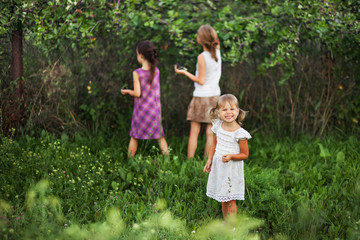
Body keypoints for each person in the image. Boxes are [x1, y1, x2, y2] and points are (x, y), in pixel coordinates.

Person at [174, 24, 221, 159]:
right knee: (210, 132)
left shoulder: (202, 56)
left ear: (200, 40)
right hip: (215, 96)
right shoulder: (217, 51)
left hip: (201, 97)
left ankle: (190, 161)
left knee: (194, 131)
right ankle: (208, 162)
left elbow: (201, 80)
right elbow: (216, 42)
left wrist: (184, 72)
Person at [203, 94, 251, 220]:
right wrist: (210, 160)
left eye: (232, 109)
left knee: (231, 199)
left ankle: (232, 226)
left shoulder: (240, 133)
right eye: (224, 109)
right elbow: (214, 144)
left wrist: (231, 156)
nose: (228, 112)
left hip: (231, 169)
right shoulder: (218, 126)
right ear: (218, 112)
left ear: (238, 111)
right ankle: (226, 222)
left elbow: (245, 154)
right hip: (220, 168)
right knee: (223, 198)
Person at [121, 40, 168, 157]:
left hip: (141, 111)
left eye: (137, 54)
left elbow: (137, 93)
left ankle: (130, 161)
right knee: (160, 138)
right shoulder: (156, 71)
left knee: (134, 137)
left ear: (141, 56)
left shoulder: (137, 73)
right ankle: (168, 162)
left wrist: (127, 91)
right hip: (155, 111)